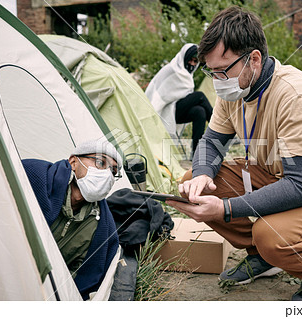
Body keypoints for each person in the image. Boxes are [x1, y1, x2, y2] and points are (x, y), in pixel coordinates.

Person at [166, 6, 302, 301]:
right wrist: (204, 174)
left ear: (253, 59)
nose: (217, 80)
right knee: (194, 180)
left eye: (223, 71)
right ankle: (263, 257)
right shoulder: (236, 89)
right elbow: (211, 142)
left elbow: (300, 187)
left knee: (271, 235)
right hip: (275, 174)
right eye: (211, 71)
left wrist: (226, 209)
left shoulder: (296, 96)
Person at [22, 140, 121, 300]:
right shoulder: (32, 175)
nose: (107, 174)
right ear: (73, 162)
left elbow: (81, 279)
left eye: (113, 171)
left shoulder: (103, 226)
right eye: (100, 162)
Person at [145, 43, 213, 158]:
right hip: (166, 111)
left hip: (178, 111)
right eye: (190, 60)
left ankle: (196, 153)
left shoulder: (187, 75)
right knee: (199, 96)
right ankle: (221, 128)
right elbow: (157, 95)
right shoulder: (170, 70)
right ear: (183, 58)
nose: (192, 64)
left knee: (199, 111)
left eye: (195, 61)